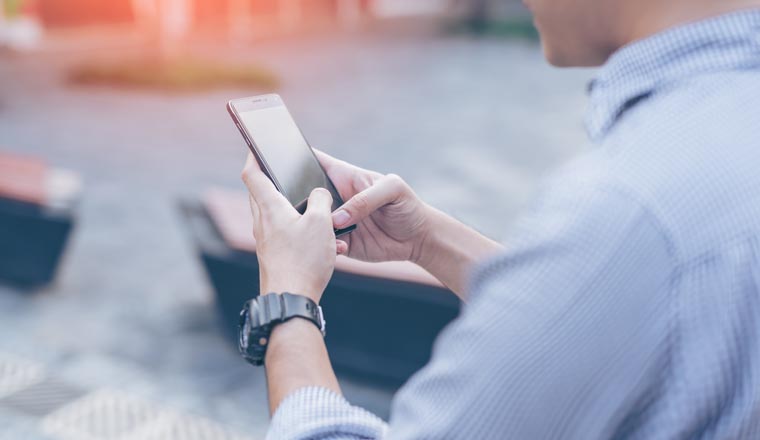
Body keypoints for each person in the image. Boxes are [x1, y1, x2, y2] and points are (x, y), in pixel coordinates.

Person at [240, 0, 760, 437]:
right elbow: (613, 305)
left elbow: (623, 255)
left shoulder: (627, 208)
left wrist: (287, 301)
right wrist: (426, 241)